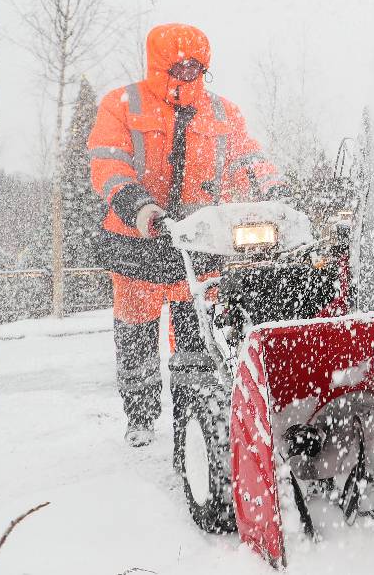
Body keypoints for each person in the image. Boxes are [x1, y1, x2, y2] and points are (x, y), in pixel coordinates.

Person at [88, 23, 285, 447]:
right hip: (137, 242)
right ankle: (140, 417)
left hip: (198, 243)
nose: (189, 73)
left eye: (197, 67)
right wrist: (139, 207)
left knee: (197, 336)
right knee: (137, 335)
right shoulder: (122, 105)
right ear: (160, 64)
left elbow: (247, 157)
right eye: (180, 66)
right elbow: (108, 165)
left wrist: (274, 189)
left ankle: (194, 417)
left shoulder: (223, 113)